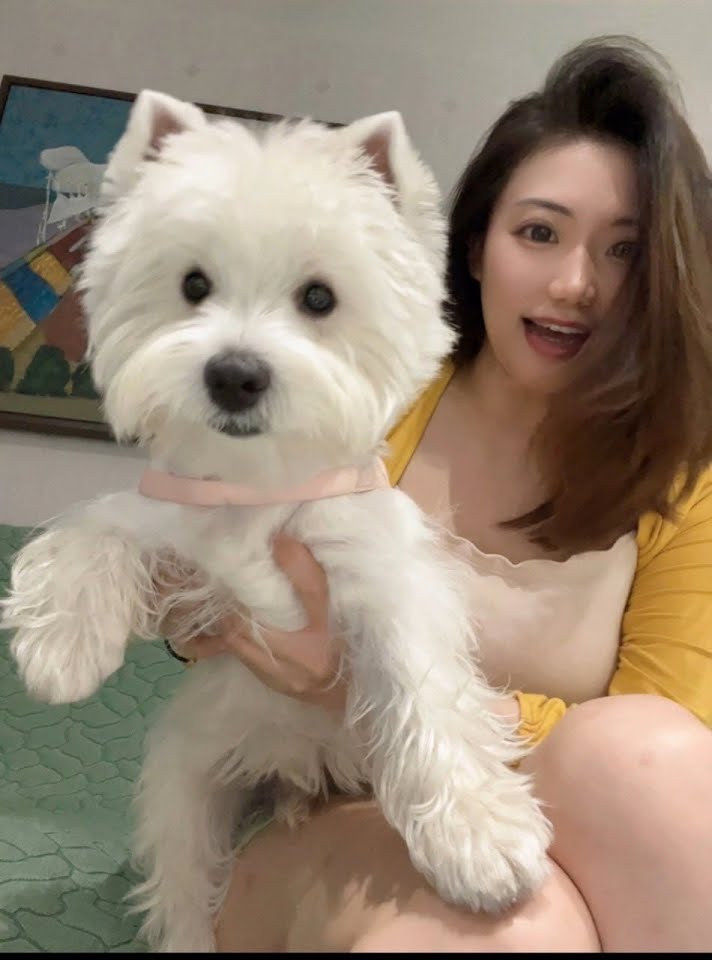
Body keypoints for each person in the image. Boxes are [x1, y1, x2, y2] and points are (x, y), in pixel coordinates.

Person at [161, 35, 712, 952]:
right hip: (318, 802)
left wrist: (370, 686)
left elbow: (679, 760)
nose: (576, 285)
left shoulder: (684, 478)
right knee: (516, 934)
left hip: (575, 831)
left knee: (645, 755)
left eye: (626, 251)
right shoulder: (363, 398)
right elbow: (195, 614)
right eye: (539, 233)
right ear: (477, 245)